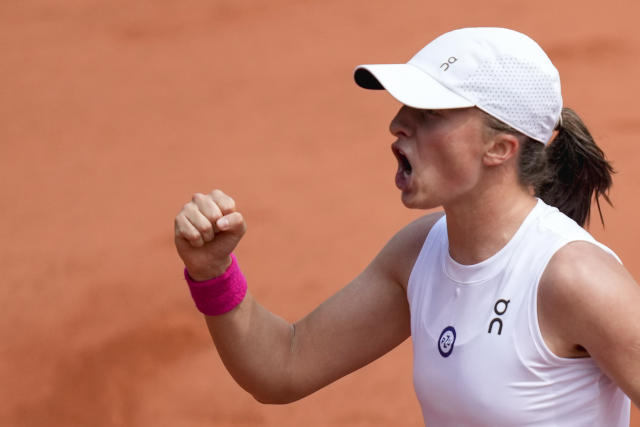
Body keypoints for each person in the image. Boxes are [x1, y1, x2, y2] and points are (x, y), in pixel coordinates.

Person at [174, 27, 640, 426]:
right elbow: (283, 366)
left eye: (429, 114)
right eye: (404, 108)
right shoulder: (419, 254)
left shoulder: (573, 277)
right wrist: (214, 272)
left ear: (500, 147)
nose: (397, 124)